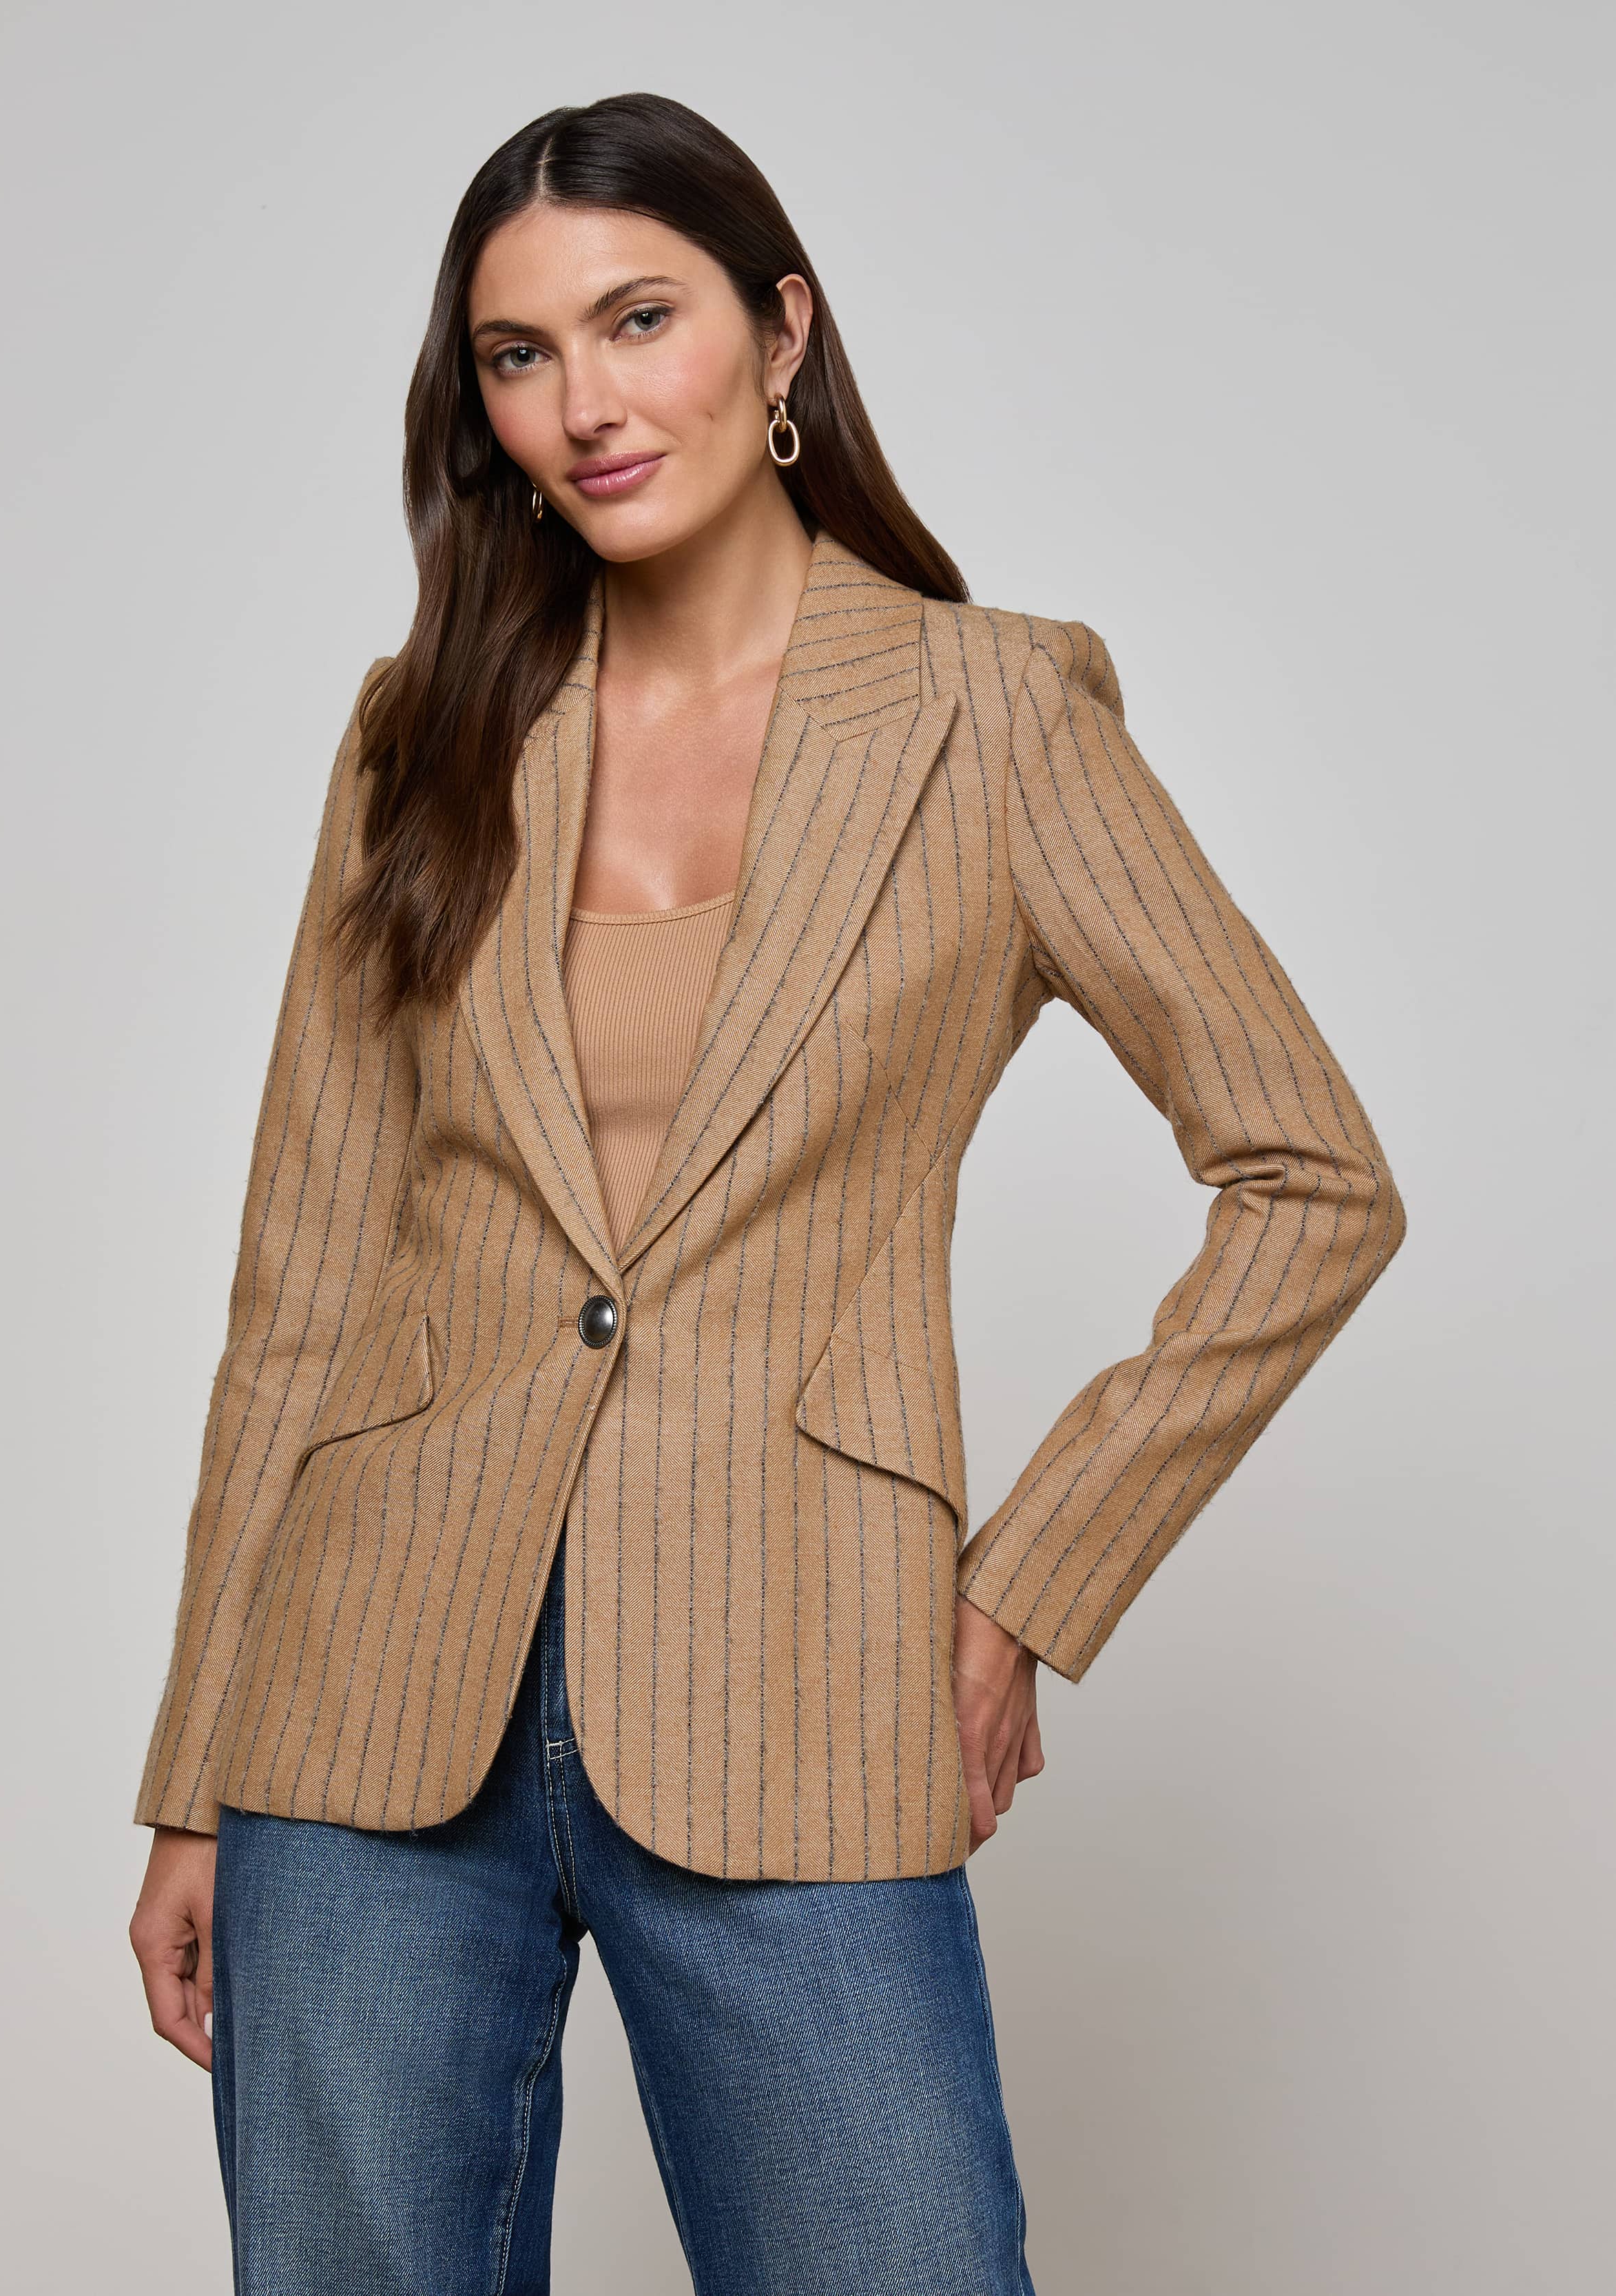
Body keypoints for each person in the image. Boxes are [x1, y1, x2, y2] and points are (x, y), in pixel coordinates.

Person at [129, 90, 1406, 2296]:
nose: (584, 403)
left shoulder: (990, 718)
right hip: (361, 1701)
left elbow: (1312, 1177)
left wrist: (1024, 1590)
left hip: (792, 1671)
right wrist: (191, 1771)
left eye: (639, 320)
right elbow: (305, 1280)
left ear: (780, 330)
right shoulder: (420, 729)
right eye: (520, 354)